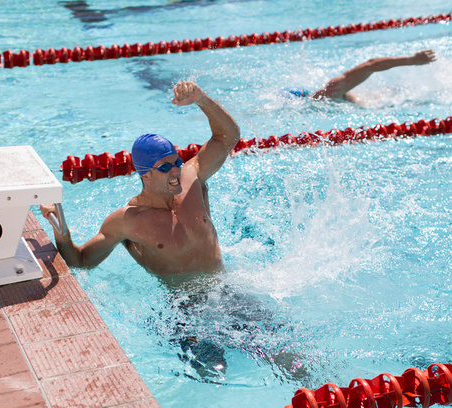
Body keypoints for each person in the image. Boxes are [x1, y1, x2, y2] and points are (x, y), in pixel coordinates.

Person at [41, 81, 240, 277]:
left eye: (177, 163)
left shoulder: (192, 177)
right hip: (185, 304)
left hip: (226, 287)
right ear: (146, 175)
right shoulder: (128, 221)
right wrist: (60, 227)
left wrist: (201, 100)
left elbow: (227, 137)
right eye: (165, 167)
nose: (176, 172)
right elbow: (81, 261)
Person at [287, 49, 437, 103]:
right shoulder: (326, 97)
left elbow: (371, 65)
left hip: (385, 103)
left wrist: (411, 60)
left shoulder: (333, 89)